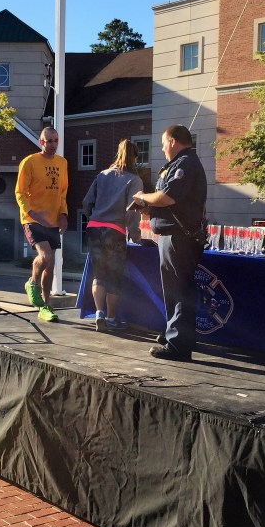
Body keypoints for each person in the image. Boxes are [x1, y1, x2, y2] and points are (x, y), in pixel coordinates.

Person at [132, 125, 207, 361]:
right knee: (174, 289)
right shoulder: (181, 163)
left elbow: (167, 197)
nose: (163, 148)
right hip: (174, 235)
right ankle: (174, 335)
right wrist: (150, 210)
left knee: (179, 289)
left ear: (173, 141)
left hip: (179, 237)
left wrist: (143, 197)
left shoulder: (185, 163)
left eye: (164, 143)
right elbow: (172, 203)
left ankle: (178, 345)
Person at [82, 139, 143, 333]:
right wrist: (135, 235)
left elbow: (86, 202)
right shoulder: (134, 180)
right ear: (134, 158)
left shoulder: (102, 175)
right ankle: (111, 319)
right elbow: (132, 210)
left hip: (94, 228)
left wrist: (93, 218)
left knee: (99, 275)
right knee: (114, 278)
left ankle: (99, 313)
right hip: (115, 232)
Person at [15, 126, 68, 322]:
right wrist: (33, 213)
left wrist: (63, 214)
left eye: (56, 140)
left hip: (53, 220)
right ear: (41, 142)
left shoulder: (62, 163)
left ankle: (45, 306)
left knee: (51, 265)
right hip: (33, 218)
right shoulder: (29, 162)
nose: (53, 144)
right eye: (49, 141)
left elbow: (62, 192)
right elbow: (20, 192)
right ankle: (32, 282)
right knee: (45, 256)